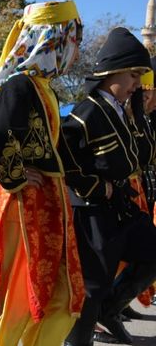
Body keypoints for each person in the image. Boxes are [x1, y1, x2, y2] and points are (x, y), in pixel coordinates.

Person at [0, 0, 85, 346]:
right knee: (15, 298)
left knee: (52, 292)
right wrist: (16, 176)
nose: (75, 51)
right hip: (22, 208)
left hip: (42, 205)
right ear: (54, 38)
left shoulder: (41, 86)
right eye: (73, 41)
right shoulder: (20, 85)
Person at [60, 27, 156, 346]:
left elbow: (140, 159)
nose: (137, 84)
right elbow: (65, 160)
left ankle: (111, 310)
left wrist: (140, 117)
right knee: (93, 285)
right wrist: (99, 189)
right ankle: (79, 340)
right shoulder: (87, 111)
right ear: (111, 71)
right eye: (133, 75)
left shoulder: (120, 111)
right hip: (92, 212)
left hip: (119, 208)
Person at [92, 56, 156, 344]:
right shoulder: (100, 111)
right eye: (144, 88)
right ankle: (93, 318)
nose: (144, 93)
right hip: (103, 200)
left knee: (138, 255)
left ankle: (112, 307)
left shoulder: (134, 115)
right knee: (100, 267)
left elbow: (144, 155)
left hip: (129, 194)